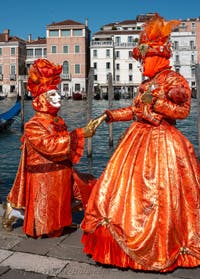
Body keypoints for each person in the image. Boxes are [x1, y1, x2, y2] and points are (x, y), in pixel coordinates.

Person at [80, 14, 200, 272]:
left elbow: (183, 111)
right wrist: (108, 115)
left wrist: (156, 103)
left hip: (165, 143)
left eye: (143, 58)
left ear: (157, 56)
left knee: (160, 195)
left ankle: (162, 245)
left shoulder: (173, 80)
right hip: (137, 140)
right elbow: (136, 111)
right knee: (118, 192)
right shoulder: (147, 83)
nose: (141, 63)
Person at [2, 58, 96, 238]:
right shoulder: (33, 124)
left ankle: (62, 223)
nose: (59, 96)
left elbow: (61, 144)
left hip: (61, 171)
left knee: (89, 186)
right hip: (43, 176)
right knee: (46, 205)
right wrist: (80, 134)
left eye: (57, 93)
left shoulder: (58, 120)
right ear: (42, 99)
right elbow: (50, 146)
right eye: (52, 95)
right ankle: (30, 222)